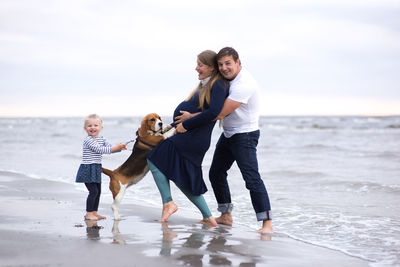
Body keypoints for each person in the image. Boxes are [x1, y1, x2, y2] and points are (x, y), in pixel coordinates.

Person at [175, 47, 273, 234]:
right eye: (220, 64)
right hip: (229, 133)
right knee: (216, 173)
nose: (224, 68)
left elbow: (219, 113)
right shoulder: (226, 80)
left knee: (251, 179)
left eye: (228, 63)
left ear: (238, 62)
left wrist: (189, 120)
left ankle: (267, 223)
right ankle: (226, 215)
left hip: (244, 135)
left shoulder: (244, 84)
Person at [147, 50, 229, 227]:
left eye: (200, 65)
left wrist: (187, 123)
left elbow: (213, 113)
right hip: (189, 135)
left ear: (211, 67)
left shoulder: (219, 85)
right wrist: (172, 126)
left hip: (194, 138)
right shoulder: (204, 85)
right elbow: (196, 111)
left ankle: (168, 203)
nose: (196, 68)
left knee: (155, 159)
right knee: (179, 174)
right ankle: (208, 217)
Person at [75, 114, 126, 221]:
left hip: (96, 168)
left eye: (96, 125)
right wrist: (115, 148)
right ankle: (89, 213)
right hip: (88, 168)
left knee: (98, 191)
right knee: (93, 191)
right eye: (89, 126)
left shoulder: (102, 139)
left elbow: (109, 148)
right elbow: (101, 150)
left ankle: (94, 212)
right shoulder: (88, 140)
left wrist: (120, 148)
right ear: (85, 129)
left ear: (101, 127)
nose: (92, 127)